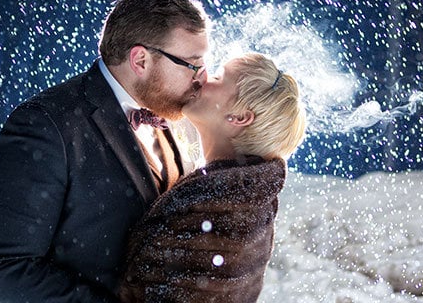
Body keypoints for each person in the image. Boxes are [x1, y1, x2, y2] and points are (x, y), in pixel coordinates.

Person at [0, 0, 211, 302]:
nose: (202, 79)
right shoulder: (46, 123)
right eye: (192, 65)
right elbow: (0, 267)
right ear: (140, 60)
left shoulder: (169, 115)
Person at [118, 52, 306, 303]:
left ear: (239, 117)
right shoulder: (238, 201)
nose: (203, 75)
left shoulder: (221, 210)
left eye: (218, 77)